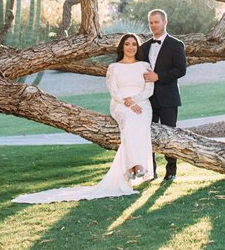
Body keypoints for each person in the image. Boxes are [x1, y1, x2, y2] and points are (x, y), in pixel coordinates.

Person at [11, 33, 154, 203]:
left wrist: (135, 100)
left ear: (137, 48)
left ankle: (136, 168)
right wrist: (128, 102)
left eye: (134, 44)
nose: (131, 47)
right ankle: (136, 167)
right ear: (122, 47)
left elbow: (149, 90)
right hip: (121, 103)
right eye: (127, 44)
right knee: (130, 124)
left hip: (142, 102)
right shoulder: (114, 68)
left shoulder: (144, 66)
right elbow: (113, 91)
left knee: (141, 125)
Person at [139, 8, 187, 181]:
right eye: (151, 22)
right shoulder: (143, 47)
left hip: (169, 98)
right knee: (148, 135)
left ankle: (171, 171)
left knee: (169, 135)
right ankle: (150, 170)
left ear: (164, 22)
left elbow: (181, 70)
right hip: (148, 99)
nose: (153, 26)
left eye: (156, 22)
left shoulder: (176, 44)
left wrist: (158, 76)